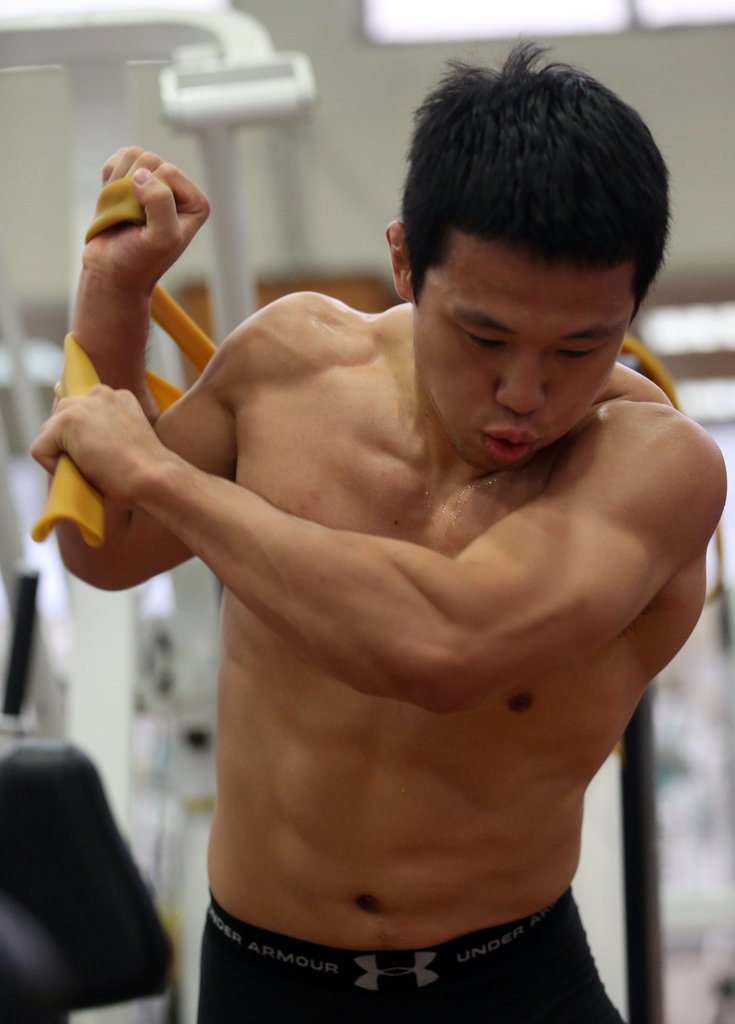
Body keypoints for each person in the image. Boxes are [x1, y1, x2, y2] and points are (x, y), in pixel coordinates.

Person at [31, 42, 725, 1023]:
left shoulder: (654, 465)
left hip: (509, 987)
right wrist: (115, 292)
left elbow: (442, 645)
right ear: (404, 263)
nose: (524, 392)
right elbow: (106, 547)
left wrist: (156, 469)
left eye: (581, 346)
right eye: (483, 336)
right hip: (262, 982)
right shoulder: (290, 366)